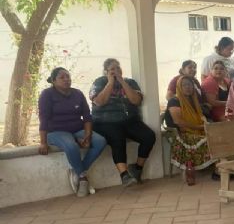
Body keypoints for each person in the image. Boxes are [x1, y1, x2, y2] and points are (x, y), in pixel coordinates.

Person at [38, 66, 107, 197]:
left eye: (68, 76)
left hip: (77, 128)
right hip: (56, 131)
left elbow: (87, 116)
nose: (66, 79)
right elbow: (43, 118)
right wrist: (42, 142)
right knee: (71, 146)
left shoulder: (77, 94)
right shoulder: (47, 94)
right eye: (62, 77)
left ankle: (78, 171)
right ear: (53, 81)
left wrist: (87, 135)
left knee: (100, 141)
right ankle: (83, 178)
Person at [89, 58, 156, 186]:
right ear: (106, 72)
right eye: (112, 69)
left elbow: (136, 101)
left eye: (118, 68)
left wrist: (121, 81)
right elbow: (99, 101)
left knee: (149, 136)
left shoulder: (130, 82)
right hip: (105, 122)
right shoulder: (99, 82)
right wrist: (110, 83)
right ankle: (124, 175)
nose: (116, 71)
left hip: (129, 120)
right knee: (117, 137)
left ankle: (137, 168)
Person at [164, 76, 215, 185]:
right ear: (179, 87)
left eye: (190, 85)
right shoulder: (174, 100)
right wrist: (200, 128)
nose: (188, 87)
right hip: (180, 133)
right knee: (207, 139)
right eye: (185, 85)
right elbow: (178, 122)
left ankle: (219, 169)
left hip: (195, 130)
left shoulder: (193, 100)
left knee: (218, 136)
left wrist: (204, 124)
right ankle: (189, 170)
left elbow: (199, 117)